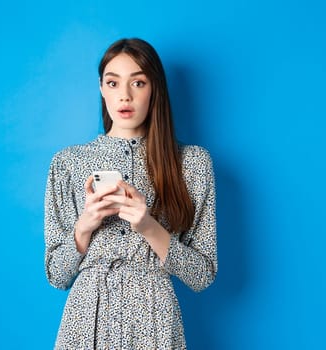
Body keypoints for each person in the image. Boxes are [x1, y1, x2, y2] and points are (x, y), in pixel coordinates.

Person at [44, 38, 217, 349]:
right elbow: (57, 275)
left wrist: (148, 226)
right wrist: (85, 225)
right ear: (101, 88)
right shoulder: (68, 163)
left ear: (155, 89)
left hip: (155, 318)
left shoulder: (192, 163)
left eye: (138, 82)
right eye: (113, 83)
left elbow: (202, 275)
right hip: (86, 319)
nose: (124, 95)